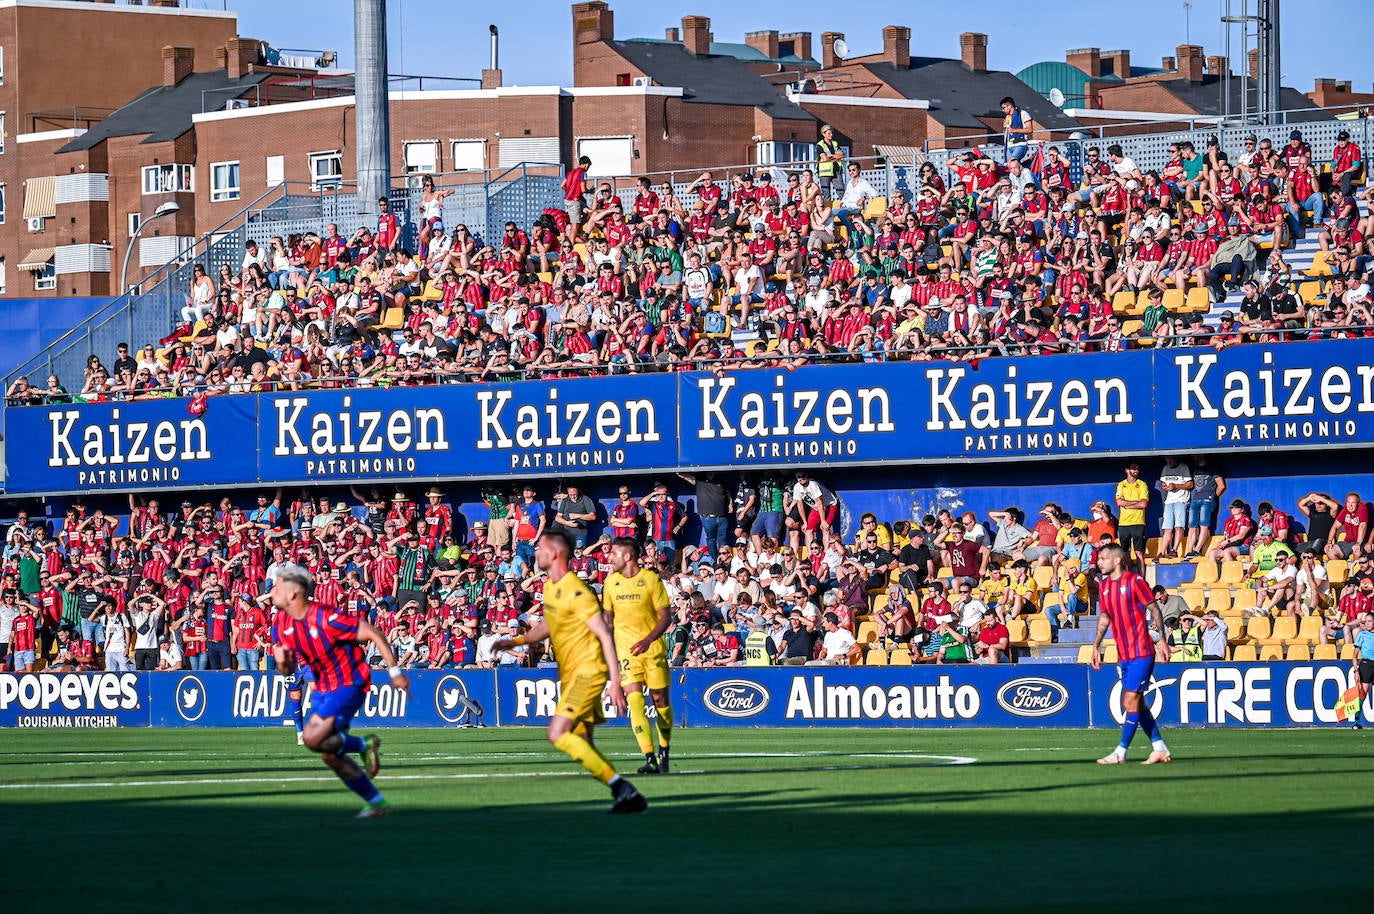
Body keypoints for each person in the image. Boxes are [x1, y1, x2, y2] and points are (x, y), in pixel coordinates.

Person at [490, 530, 646, 814]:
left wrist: (615, 681)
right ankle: (627, 795)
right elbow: (547, 626)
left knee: (557, 733)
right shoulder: (551, 586)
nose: (535, 553)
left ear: (555, 553)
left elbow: (604, 635)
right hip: (572, 673)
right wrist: (515, 640)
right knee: (584, 743)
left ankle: (623, 788)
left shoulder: (576, 589)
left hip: (589, 671)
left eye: (540, 548)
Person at [270, 563, 410, 818]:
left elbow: (373, 632)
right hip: (324, 689)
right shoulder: (283, 623)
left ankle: (361, 745)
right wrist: (282, 663)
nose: (272, 592)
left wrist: (394, 672)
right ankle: (377, 802)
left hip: (349, 682)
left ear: (294, 593)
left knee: (312, 737)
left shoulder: (326, 617)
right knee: (329, 754)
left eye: (277, 587)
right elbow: (288, 668)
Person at [1091, 543, 1172, 765]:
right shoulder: (1105, 586)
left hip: (1142, 651)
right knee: (1137, 704)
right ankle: (1160, 748)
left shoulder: (1135, 582)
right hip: (1123, 654)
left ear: (1117, 560)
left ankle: (1120, 752)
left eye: (1104, 558)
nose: (1100, 562)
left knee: (1129, 701)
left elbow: (1154, 609)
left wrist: (1163, 640)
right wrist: (1096, 644)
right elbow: (1105, 617)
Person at [602, 537, 675, 775]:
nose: (609, 557)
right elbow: (608, 621)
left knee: (661, 703)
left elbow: (666, 617)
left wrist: (647, 639)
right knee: (635, 702)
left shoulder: (651, 580)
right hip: (626, 653)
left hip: (652, 651)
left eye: (613, 553)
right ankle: (649, 757)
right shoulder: (611, 583)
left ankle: (664, 749)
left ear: (628, 556)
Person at [1114, 462, 1149, 571]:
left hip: (1138, 522)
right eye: (1133, 468)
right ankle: (1129, 576)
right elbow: (1119, 502)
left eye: (1137, 468)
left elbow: (1143, 504)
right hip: (1124, 523)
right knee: (1125, 552)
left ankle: (1141, 579)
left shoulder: (1142, 484)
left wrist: (1127, 504)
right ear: (1127, 470)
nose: (1136, 471)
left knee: (1139, 552)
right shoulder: (1121, 484)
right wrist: (1136, 503)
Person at [1351, 612, 1374, 729]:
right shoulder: (1362, 635)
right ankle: (1356, 721)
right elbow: (1354, 656)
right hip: (1367, 664)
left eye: (1370, 621)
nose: (1367, 623)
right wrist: (1356, 671)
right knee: (1363, 693)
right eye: (1366, 621)